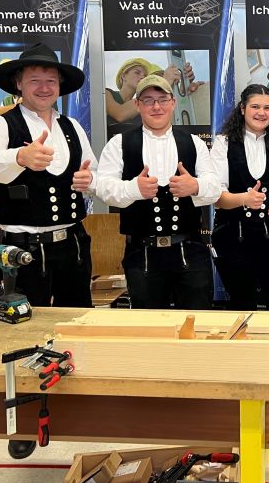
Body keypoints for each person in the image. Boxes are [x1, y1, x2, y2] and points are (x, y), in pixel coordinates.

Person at [0, 42, 97, 461]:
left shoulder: (72, 126)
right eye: (35, 79)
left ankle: (73, 400)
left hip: (72, 242)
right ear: (18, 84)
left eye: (51, 79)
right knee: (22, 332)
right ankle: (23, 420)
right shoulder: (1, 126)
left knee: (77, 320)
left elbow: (90, 167)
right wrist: (20, 156)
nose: (44, 86)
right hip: (24, 247)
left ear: (60, 85)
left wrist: (87, 180)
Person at [95, 74, 221, 309]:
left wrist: (196, 186)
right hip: (141, 254)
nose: (156, 107)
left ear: (173, 103)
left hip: (190, 251)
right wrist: (133, 188)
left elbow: (215, 187)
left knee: (197, 323)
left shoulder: (195, 143)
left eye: (162, 100)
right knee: (148, 326)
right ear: (137, 105)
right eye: (148, 100)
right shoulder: (118, 143)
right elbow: (103, 188)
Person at [210, 84, 269, 311]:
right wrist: (243, 200)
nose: (262, 113)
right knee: (242, 304)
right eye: (255, 106)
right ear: (242, 109)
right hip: (231, 234)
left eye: (268, 107)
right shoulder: (223, 142)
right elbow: (217, 195)